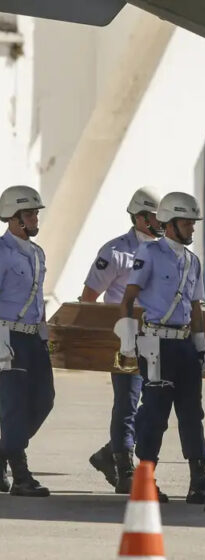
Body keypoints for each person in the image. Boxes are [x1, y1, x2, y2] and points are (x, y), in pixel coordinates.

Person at [114, 192, 205, 504]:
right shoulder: (149, 252)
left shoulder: (193, 261)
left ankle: (199, 481)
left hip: (183, 344)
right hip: (155, 344)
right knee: (155, 414)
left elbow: (196, 307)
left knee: (192, 413)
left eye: (194, 224)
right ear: (169, 223)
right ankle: (144, 480)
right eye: (187, 223)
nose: (192, 229)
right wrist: (129, 342)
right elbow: (128, 298)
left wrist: (200, 346)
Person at [84, 188, 162, 493]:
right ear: (141, 217)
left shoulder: (163, 252)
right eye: (156, 216)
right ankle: (123, 465)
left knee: (155, 403)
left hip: (155, 339)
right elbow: (89, 297)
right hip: (124, 339)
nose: (161, 222)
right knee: (127, 402)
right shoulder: (114, 252)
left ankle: (109, 452)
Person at [0, 185, 53, 497]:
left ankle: (4, 450)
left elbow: (38, 300)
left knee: (44, 400)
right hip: (7, 337)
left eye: (35, 213)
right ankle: (20, 474)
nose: (35, 218)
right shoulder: (2, 253)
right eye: (30, 213)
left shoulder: (37, 253)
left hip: (34, 339)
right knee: (15, 405)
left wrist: (44, 336)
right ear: (14, 218)